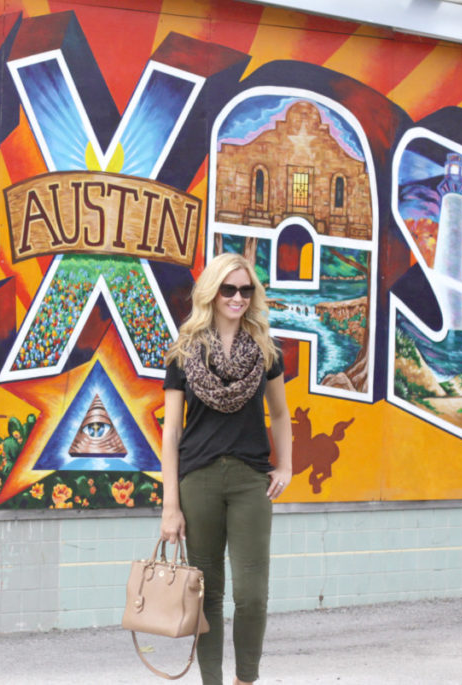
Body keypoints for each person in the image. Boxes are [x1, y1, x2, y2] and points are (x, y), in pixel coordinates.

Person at [160, 252, 292, 685]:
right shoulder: (183, 353)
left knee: (251, 595)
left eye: (246, 289)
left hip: (251, 481)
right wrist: (170, 507)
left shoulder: (265, 351)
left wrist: (285, 467)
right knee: (208, 596)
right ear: (212, 293)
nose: (238, 297)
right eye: (229, 289)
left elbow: (280, 414)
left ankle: (245, 679)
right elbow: (172, 433)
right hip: (197, 482)